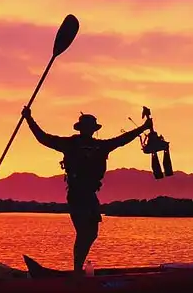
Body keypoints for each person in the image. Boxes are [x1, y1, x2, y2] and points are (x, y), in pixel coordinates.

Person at [22, 107, 152, 275]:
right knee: (84, 232)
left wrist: (143, 128)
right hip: (77, 195)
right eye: (87, 128)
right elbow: (43, 138)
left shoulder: (99, 146)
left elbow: (122, 139)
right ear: (83, 129)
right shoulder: (71, 144)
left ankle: (78, 269)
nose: (88, 131)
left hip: (89, 196)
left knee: (91, 234)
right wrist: (29, 119)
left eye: (90, 128)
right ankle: (77, 271)